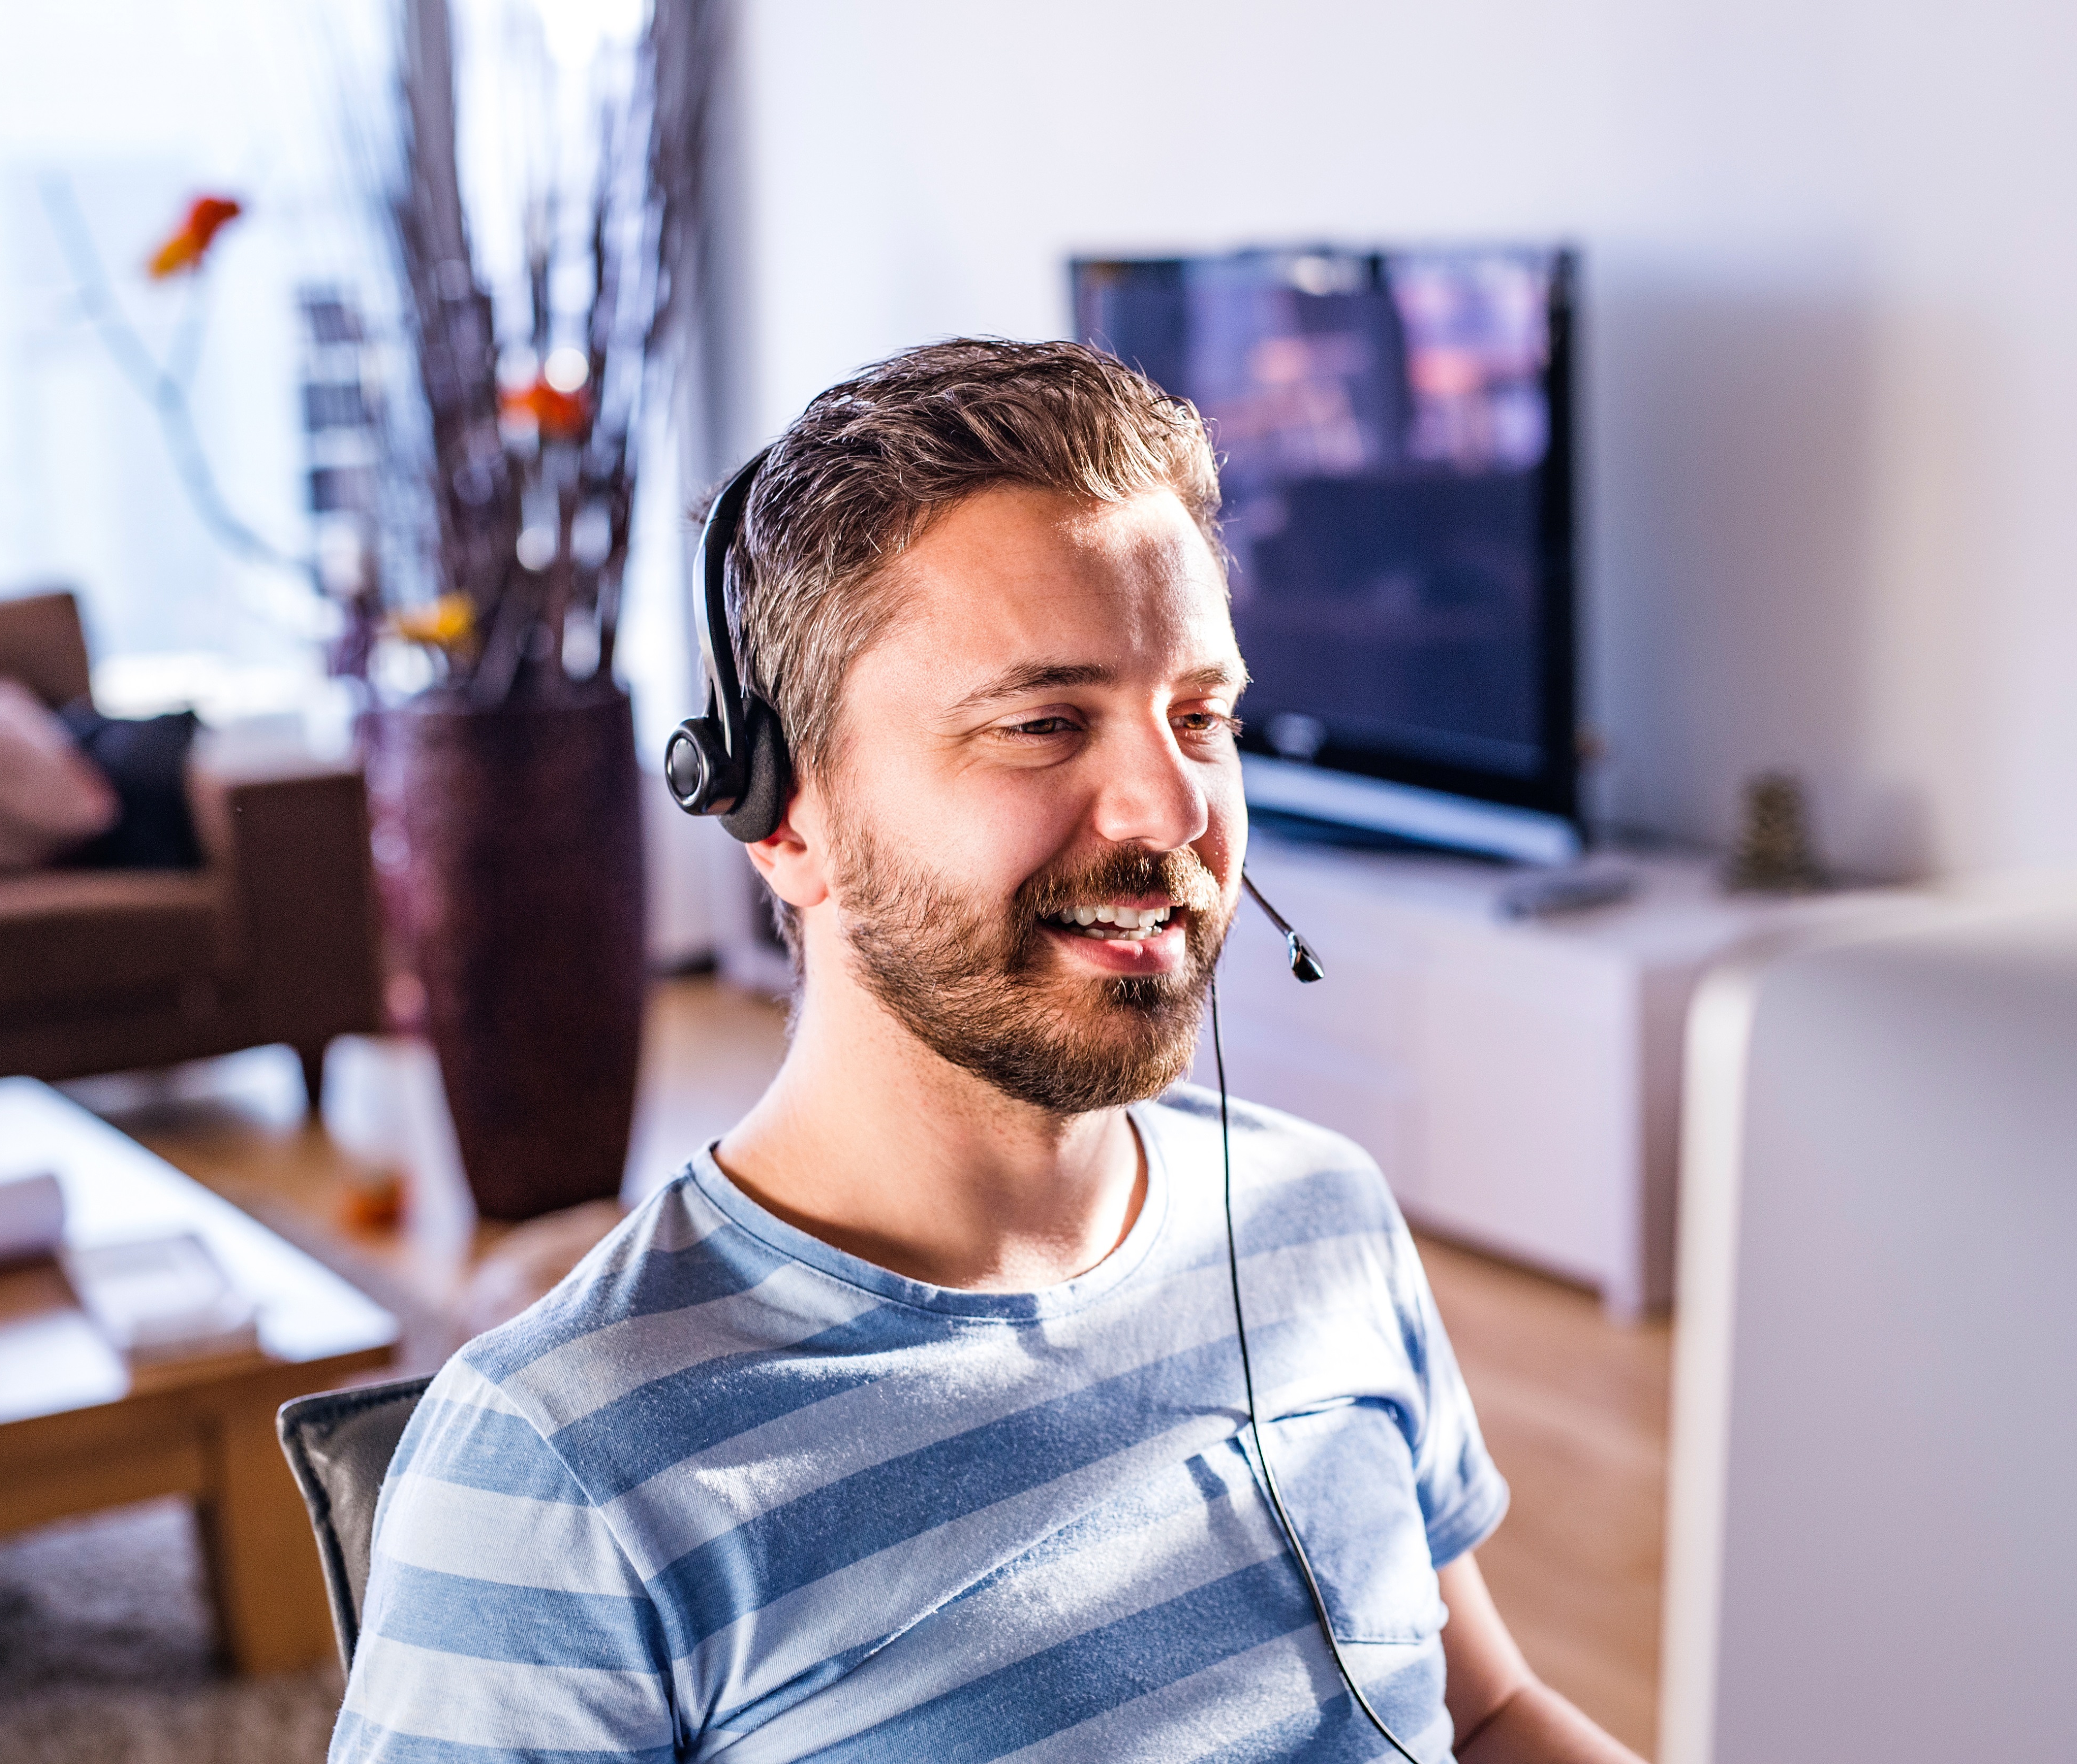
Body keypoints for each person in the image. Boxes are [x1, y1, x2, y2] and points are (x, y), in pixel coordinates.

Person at [333, 339, 1643, 1764]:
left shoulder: (1319, 1219)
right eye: (1042, 724)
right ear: (785, 816)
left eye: (1199, 716)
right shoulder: (565, 1470)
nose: (1170, 808)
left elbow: (1489, 1712)